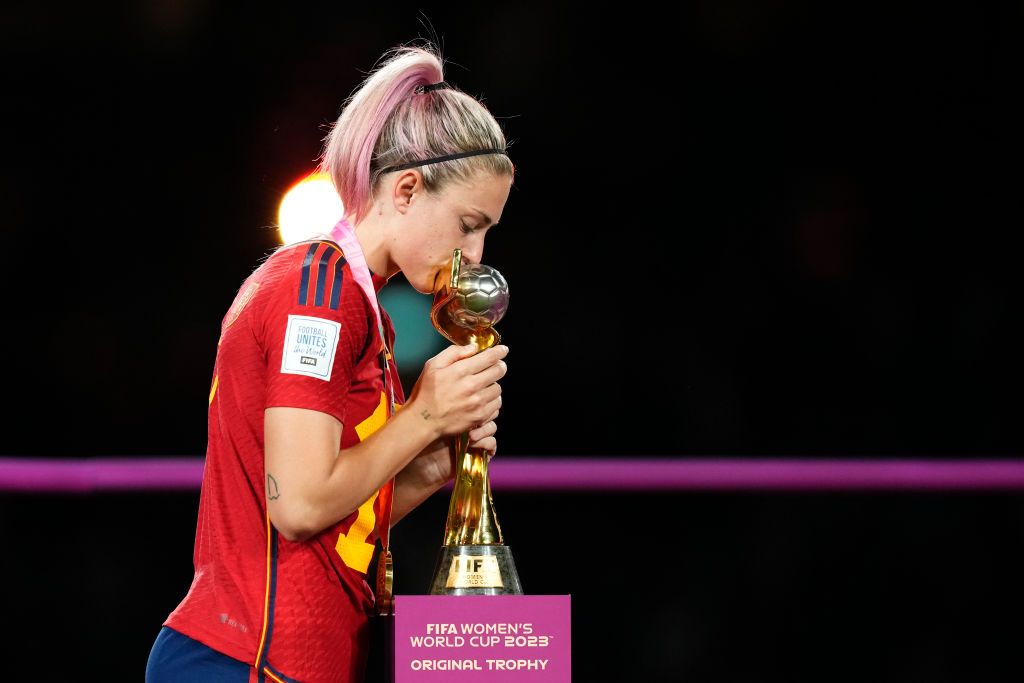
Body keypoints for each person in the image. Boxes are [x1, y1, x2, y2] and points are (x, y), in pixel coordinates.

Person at [146, 41, 514, 683]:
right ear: (405, 190)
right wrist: (425, 414)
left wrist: (427, 469)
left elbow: (334, 523)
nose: (476, 253)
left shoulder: (359, 303)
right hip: (244, 661)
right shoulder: (318, 290)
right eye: (467, 223)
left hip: (290, 662)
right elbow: (299, 507)